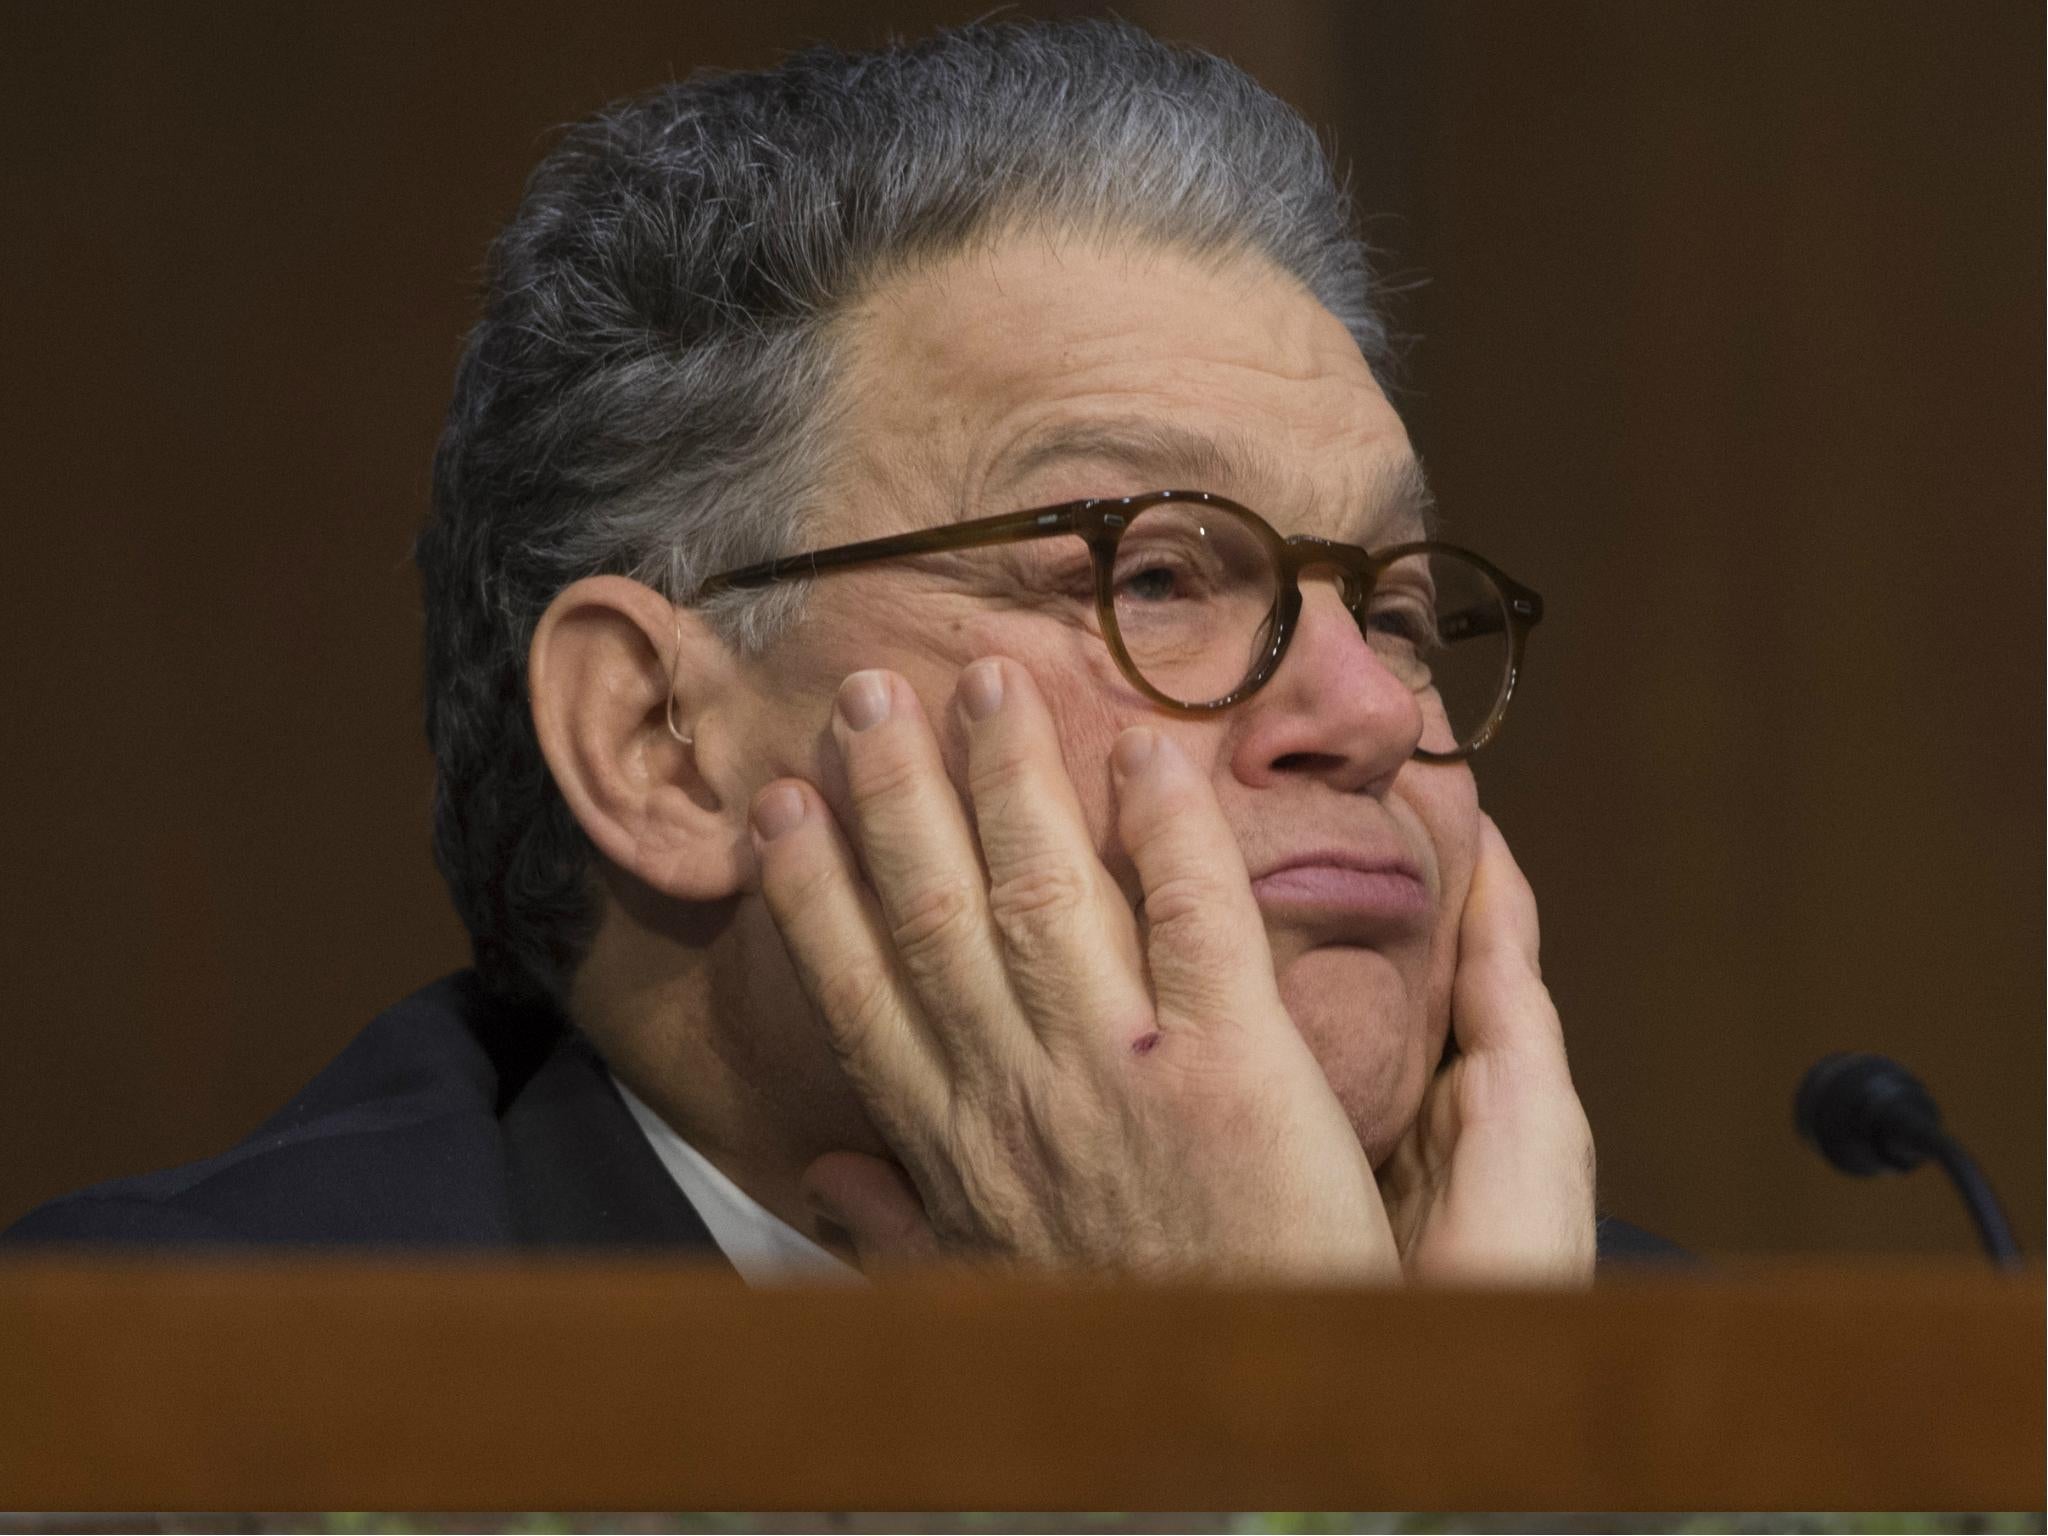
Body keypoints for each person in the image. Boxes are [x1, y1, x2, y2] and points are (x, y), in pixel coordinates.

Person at [7, 20, 1673, 1278]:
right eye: (1155, 575)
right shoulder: (158, 1412)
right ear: (660, 741)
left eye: (1392, 606)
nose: (1375, 709)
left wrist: (1457, 1429)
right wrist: (1274, 1428)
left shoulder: (1778, 1429)